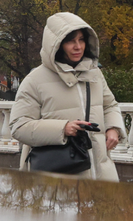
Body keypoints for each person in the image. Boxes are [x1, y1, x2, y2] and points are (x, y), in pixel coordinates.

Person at [10, 13, 124, 180]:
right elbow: (19, 126)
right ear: (56, 45)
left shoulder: (95, 74)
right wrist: (63, 129)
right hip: (58, 179)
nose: (78, 46)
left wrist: (114, 128)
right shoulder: (34, 80)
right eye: (71, 41)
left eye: (81, 40)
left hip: (102, 173)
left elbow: (110, 105)